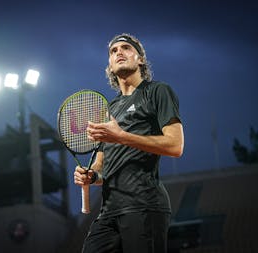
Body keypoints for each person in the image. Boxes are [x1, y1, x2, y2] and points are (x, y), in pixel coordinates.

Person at [74, 33, 184, 253]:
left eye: (125, 48)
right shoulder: (109, 109)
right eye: (113, 51)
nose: (119, 53)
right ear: (109, 64)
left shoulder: (157, 92)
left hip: (144, 205)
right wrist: (91, 175)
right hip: (109, 211)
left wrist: (121, 136)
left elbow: (175, 146)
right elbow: (101, 164)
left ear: (140, 59)